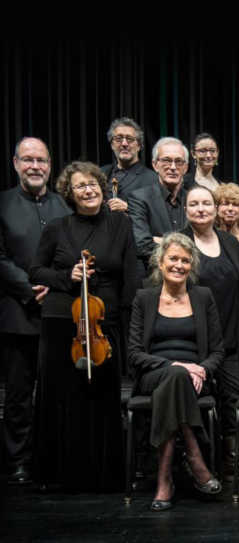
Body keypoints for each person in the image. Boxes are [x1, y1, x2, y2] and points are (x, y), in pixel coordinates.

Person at [29, 161, 138, 491]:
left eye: (93, 183)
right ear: (69, 193)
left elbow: (130, 276)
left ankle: (103, 475)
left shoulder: (120, 223)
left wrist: (125, 322)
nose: (88, 190)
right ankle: (60, 474)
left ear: (102, 186)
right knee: (64, 396)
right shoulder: (57, 228)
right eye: (80, 186)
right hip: (63, 320)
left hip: (104, 323)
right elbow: (36, 270)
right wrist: (66, 276)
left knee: (100, 396)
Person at [128, 233, 224, 511]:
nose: (179, 265)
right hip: (155, 375)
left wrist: (202, 369)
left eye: (185, 260)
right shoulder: (144, 298)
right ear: (160, 262)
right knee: (175, 376)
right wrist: (177, 366)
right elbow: (134, 354)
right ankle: (194, 452)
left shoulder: (203, 296)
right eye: (173, 258)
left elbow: (218, 350)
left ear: (192, 265)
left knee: (176, 383)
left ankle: (164, 479)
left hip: (196, 380)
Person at [0, 137, 70, 485]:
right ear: (15, 163)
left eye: (41, 160)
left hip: (59, 313)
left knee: (57, 392)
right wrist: (30, 290)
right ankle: (18, 460)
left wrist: (54, 287)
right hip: (17, 314)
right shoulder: (2, 204)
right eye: (28, 160)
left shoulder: (63, 206)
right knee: (18, 394)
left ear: (50, 164)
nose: (35, 167)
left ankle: (53, 457)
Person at [181, 186, 239, 477]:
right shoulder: (181, 243)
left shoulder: (230, 242)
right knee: (199, 403)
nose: (201, 209)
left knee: (235, 400)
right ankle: (198, 461)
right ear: (185, 210)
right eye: (194, 204)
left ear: (216, 208)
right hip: (196, 341)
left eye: (206, 203)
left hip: (232, 338)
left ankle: (233, 459)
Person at [128, 137, 189, 274]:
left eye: (178, 161)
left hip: (189, 280)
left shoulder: (192, 200)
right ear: (155, 165)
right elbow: (142, 246)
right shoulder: (139, 198)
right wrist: (184, 248)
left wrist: (160, 241)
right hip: (154, 280)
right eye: (166, 160)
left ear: (185, 168)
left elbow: (202, 243)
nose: (173, 167)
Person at [100, 117, 158, 212]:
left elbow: (157, 215)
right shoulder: (101, 173)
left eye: (130, 139)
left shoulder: (152, 179)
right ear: (112, 145)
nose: (124, 143)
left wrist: (128, 208)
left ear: (139, 145)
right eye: (118, 139)